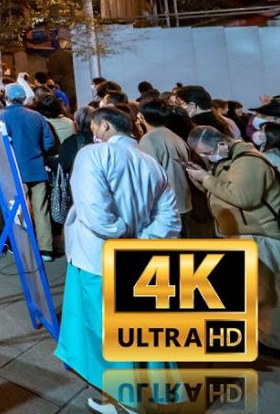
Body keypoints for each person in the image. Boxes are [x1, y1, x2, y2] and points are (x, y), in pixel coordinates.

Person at [55, 107, 180, 414]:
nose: (93, 133)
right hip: (140, 255)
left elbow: (93, 210)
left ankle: (124, 399)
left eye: (96, 128)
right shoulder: (150, 163)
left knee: (104, 328)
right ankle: (153, 390)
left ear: (107, 127)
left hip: (98, 256)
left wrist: (120, 232)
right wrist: (144, 240)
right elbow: (169, 216)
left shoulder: (92, 157)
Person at [186, 126, 280, 356]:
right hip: (245, 231)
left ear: (222, 143)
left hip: (259, 234)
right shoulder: (230, 159)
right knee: (273, 288)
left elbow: (244, 197)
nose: (206, 157)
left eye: (207, 152)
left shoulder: (248, 162)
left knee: (263, 292)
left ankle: (274, 342)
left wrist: (205, 178)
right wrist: (202, 178)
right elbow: (222, 189)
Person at [0, 83, 57, 262]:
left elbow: (1, 143)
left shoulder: (3, 115)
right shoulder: (37, 116)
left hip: (16, 168)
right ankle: (46, 248)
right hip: (37, 167)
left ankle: (24, 245)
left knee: (19, 210)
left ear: (7, 98)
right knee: (41, 209)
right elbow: (49, 142)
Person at [138, 100, 195, 237]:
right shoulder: (176, 137)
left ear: (142, 117)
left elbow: (149, 176)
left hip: (166, 205)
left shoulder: (148, 140)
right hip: (184, 200)